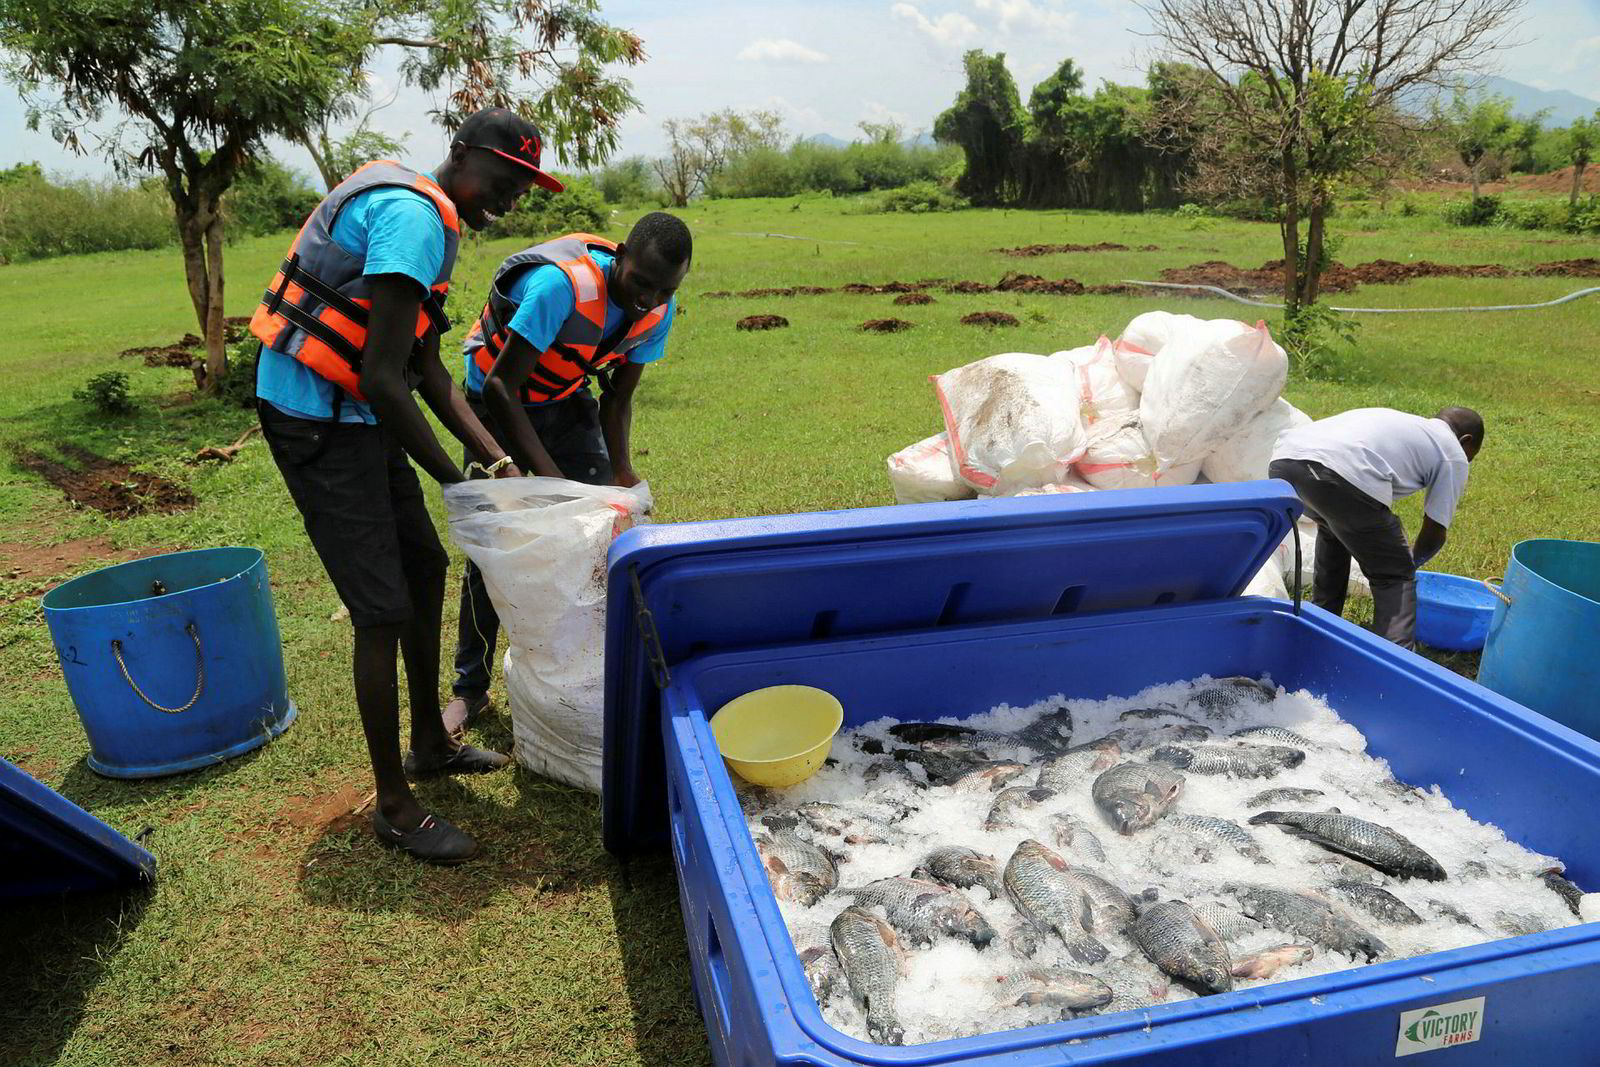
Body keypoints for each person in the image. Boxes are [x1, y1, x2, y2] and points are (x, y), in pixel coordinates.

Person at [251, 109, 568, 864]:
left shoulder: (433, 216)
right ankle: (394, 804)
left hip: (359, 409)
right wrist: (460, 482)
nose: (514, 195)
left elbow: (424, 366)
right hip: (316, 417)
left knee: (425, 565)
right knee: (380, 608)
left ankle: (430, 739)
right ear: (460, 154)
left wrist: (497, 459)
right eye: (505, 176)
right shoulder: (412, 217)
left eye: (526, 184)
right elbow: (384, 379)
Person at [443, 213, 693, 734]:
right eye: (641, 283)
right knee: (498, 546)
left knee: (601, 535)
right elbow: (499, 387)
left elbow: (618, 396)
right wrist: (550, 481)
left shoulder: (657, 310)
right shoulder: (561, 287)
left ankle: (594, 670)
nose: (648, 299)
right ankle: (471, 687)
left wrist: (620, 471)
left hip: (563, 398)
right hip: (497, 408)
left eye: (664, 290)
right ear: (620, 255)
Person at [1268, 406, 1484, 649]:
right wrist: (1407, 563)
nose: (1467, 462)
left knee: (1335, 530)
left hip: (1284, 463)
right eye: (1471, 457)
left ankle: (1319, 627)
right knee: (1394, 574)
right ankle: (1395, 661)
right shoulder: (1452, 451)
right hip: (1336, 471)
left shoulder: (1408, 424)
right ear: (1467, 441)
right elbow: (1435, 532)